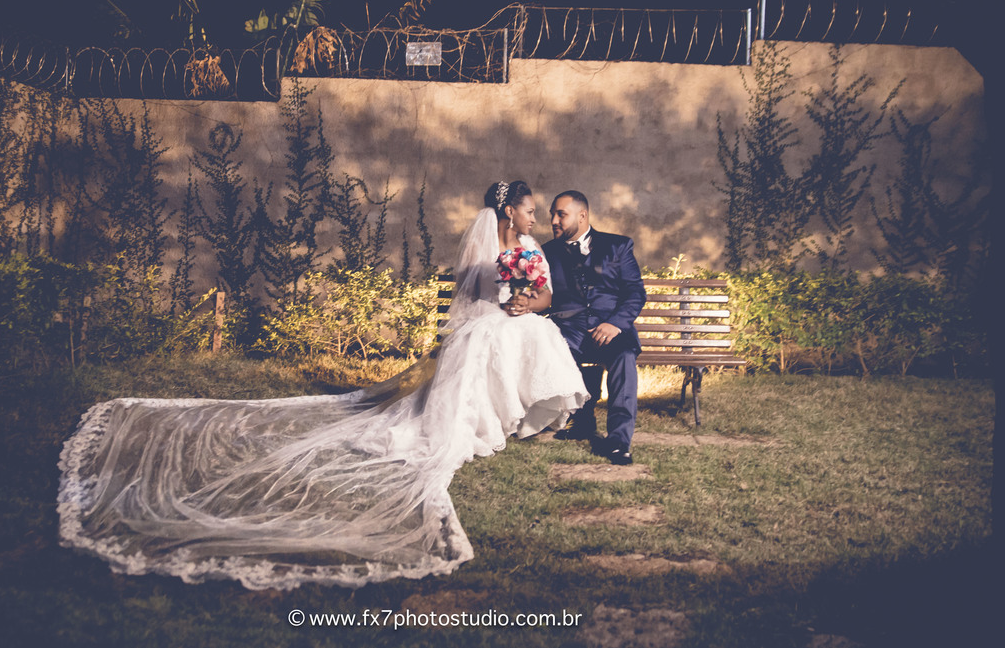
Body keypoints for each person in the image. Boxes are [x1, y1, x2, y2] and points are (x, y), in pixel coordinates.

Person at [57, 181, 586, 589]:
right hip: (485, 321)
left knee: (534, 331)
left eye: (537, 210)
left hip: (517, 317)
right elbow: (471, 299)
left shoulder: (531, 247)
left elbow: (542, 295)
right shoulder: (486, 247)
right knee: (487, 336)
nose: (535, 215)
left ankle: (524, 415)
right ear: (507, 210)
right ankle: (480, 418)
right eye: (529, 208)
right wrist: (502, 300)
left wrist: (525, 301)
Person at [543, 191, 646, 465]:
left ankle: (619, 441)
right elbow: (541, 294)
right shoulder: (546, 252)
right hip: (569, 329)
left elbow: (635, 293)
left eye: (560, 214)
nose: (553, 220)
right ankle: (582, 422)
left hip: (611, 328)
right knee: (560, 350)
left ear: (582, 215)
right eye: (552, 214)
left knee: (624, 358)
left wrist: (615, 324)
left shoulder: (619, 246)